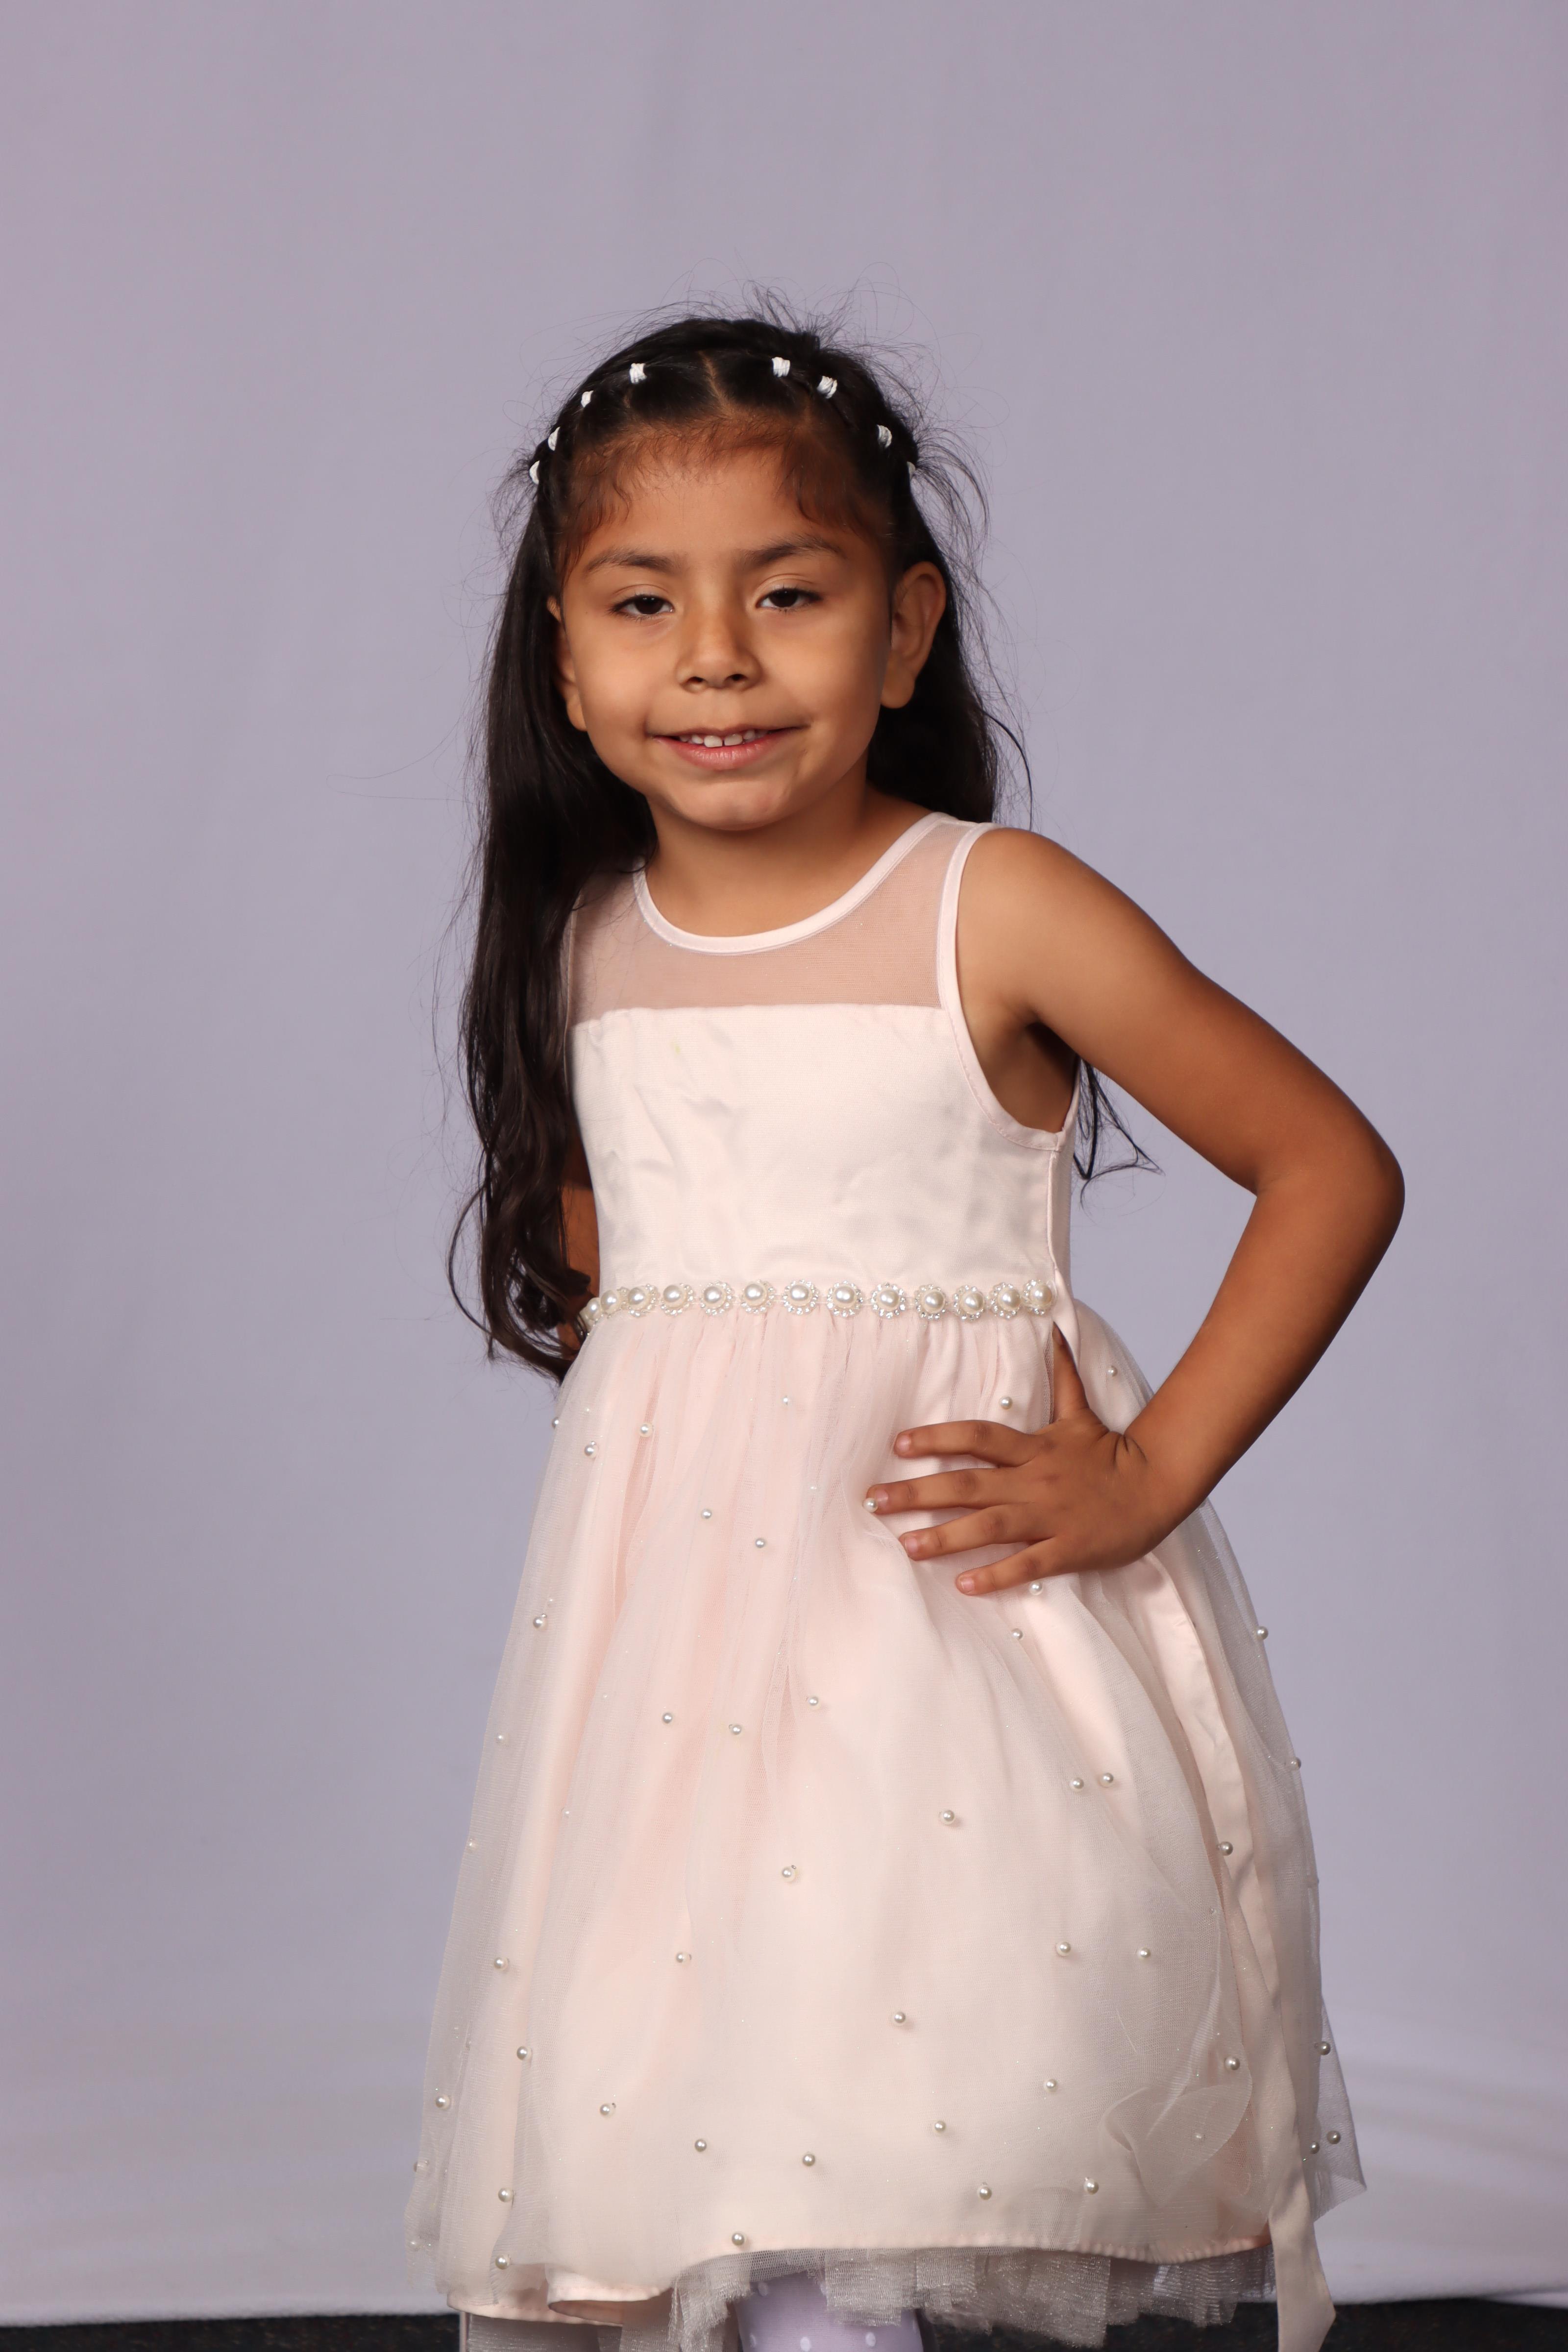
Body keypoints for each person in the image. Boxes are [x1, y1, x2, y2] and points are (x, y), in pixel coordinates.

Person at [406, 309, 1401, 2352]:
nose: (714, 657)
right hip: (677, 1694)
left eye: (787, 594)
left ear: (902, 629)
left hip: (949, 1647)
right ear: (564, 660)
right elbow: (643, 1304)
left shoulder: (994, 906)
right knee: (711, 2100)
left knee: (912, 2093)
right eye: (642, 604)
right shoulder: (584, 949)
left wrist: (1147, 1469)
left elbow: (1326, 1164)